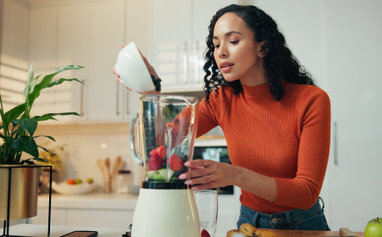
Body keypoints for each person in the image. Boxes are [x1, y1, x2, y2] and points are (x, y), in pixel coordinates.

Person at [117, 4, 331, 231]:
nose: (221, 52)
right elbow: (164, 143)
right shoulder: (221, 100)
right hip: (249, 224)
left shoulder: (312, 100)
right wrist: (152, 92)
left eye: (233, 41)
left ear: (263, 47)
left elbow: (306, 192)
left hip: (303, 227)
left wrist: (235, 174)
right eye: (216, 44)